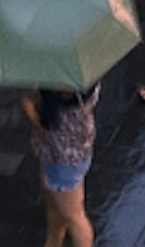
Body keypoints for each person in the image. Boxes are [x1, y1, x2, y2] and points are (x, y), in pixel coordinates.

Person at [25, 82, 99, 245]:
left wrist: (30, 109)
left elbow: (49, 123)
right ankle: (53, 242)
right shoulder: (87, 83)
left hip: (63, 160)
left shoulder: (60, 97)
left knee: (73, 216)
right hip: (71, 152)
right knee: (55, 207)